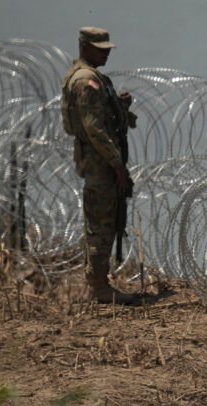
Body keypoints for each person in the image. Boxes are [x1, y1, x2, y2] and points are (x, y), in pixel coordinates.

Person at [61, 27, 139, 304]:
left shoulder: (92, 77)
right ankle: (98, 288)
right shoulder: (86, 81)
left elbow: (97, 114)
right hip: (100, 161)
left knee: (104, 218)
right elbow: (93, 128)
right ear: (84, 46)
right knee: (101, 222)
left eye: (107, 48)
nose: (105, 52)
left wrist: (119, 105)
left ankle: (97, 283)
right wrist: (117, 165)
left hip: (100, 159)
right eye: (99, 48)